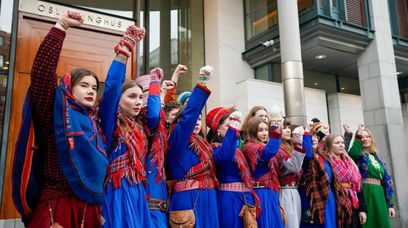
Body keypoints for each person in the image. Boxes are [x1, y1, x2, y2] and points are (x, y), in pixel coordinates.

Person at [23, 10, 119, 227]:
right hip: (58, 207)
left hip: (91, 208)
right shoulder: (55, 113)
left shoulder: (94, 123)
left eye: (94, 87)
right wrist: (61, 26)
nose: (91, 91)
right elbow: (41, 73)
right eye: (83, 85)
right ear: (68, 87)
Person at [102, 57, 163, 228]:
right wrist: (122, 54)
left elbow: (154, 115)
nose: (138, 102)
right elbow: (111, 89)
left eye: (140, 97)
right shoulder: (111, 123)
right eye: (132, 97)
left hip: (137, 188)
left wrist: (154, 83)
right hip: (117, 189)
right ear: (118, 99)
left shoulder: (141, 126)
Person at [166, 66, 219, 228]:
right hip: (189, 197)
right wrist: (202, 81)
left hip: (208, 196)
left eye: (199, 120)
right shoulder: (177, 137)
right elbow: (189, 116)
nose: (196, 122)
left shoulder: (202, 142)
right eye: (192, 119)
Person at [206, 106, 259, 228]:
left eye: (234, 125)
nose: (233, 128)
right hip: (229, 199)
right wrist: (233, 130)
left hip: (246, 198)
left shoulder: (239, 149)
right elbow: (225, 156)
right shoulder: (214, 147)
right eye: (228, 125)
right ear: (218, 128)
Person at [348, 124, 396, 228]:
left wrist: (390, 205)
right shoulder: (358, 155)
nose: (365, 139)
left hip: (380, 195)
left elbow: (386, 181)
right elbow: (352, 153)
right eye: (362, 137)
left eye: (367, 136)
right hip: (366, 192)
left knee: (383, 224)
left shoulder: (376, 156)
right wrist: (359, 133)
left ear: (371, 138)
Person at [302, 132, 353, 228]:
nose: (314, 139)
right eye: (310, 138)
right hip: (315, 197)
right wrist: (306, 133)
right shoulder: (308, 158)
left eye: (316, 137)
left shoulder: (324, 158)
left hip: (330, 197)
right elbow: (308, 154)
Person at [242, 118, 283, 228]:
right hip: (260, 193)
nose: (265, 133)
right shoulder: (249, 146)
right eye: (260, 130)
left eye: (266, 130)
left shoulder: (264, 145)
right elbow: (268, 152)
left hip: (271, 191)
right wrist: (276, 129)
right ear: (252, 131)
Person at [324, 134, 367, 227]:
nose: (341, 145)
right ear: (329, 145)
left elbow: (358, 187)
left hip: (353, 201)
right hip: (337, 201)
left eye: (343, 143)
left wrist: (362, 209)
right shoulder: (326, 161)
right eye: (337, 143)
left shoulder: (349, 162)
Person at [276, 122, 309, 228]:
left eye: (288, 128)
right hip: (284, 190)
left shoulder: (289, 147)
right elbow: (294, 167)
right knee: (290, 225)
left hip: (294, 190)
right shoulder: (278, 148)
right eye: (284, 128)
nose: (288, 130)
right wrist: (298, 144)